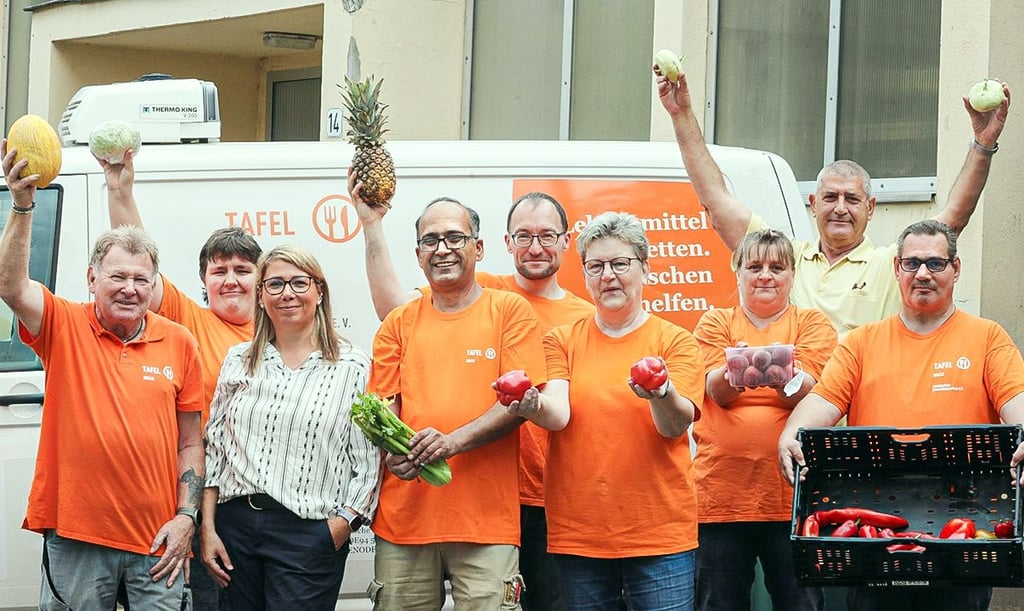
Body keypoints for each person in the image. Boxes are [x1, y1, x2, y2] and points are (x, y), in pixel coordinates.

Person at [352, 173, 593, 610]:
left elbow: (518, 405)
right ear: (419, 255)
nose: (442, 248)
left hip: (487, 523)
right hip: (405, 520)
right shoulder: (398, 324)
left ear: (478, 248)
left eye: (455, 237)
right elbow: (383, 406)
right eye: (431, 240)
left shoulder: (509, 310)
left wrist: (451, 442)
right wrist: (393, 451)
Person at [778, 219, 1024, 611]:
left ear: (955, 270)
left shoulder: (987, 337)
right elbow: (821, 402)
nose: (922, 273)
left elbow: (1017, 402)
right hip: (875, 538)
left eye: (935, 263)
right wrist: (791, 432)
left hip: (962, 526)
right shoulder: (862, 342)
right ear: (896, 269)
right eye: (911, 263)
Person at [655, 69, 1011, 336]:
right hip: (792, 414)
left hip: (855, 422)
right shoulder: (782, 259)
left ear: (870, 208)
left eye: (852, 199)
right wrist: (681, 113)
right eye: (830, 197)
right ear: (813, 203)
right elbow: (716, 202)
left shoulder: (891, 263)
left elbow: (952, 219)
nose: (840, 207)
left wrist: (983, 144)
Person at [2, 143, 205, 610]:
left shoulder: (179, 341)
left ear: (155, 285)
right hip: (77, 537)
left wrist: (186, 517)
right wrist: (22, 205)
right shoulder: (63, 323)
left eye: (141, 279)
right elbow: (11, 285)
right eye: (117, 277)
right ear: (92, 279)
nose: (130, 289)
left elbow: (191, 442)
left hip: (158, 542)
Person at [103, 148, 261, 610]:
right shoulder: (188, 318)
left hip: (258, 502)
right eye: (219, 271)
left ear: (261, 277)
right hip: (200, 500)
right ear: (204, 281)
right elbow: (138, 261)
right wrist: (120, 189)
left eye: (242, 270)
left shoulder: (283, 333)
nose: (230, 280)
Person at [539, 211, 705, 610]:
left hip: (660, 536)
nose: (607, 276)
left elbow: (674, 425)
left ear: (645, 269)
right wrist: (529, 404)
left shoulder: (676, 341)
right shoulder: (560, 339)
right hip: (580, 536)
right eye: (595, 266)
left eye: (619, 264)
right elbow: (557, 413)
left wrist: (661, 391)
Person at [199, 244, 379, 610]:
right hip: (236, 528)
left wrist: (341, 525)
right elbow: (215, 448)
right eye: (275, 284)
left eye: (299, 282)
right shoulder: (238, 359)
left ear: (319, 290)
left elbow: (368, 461)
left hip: (309, 531)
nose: (287, 294)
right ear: (261, 295)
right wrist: (209, 528)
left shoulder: (352, 365)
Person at [691, 229, 836, 611]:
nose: (765, 275)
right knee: (716, 605)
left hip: (793, 498)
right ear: (737, 272)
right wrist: (773, 367)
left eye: (777, 267)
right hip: (720, 499)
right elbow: (717, 391)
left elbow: (813, 394)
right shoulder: (713, 322)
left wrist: (745, 365)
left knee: (802, 605)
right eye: (754, 266)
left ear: (792, 274)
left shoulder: (813, 324)